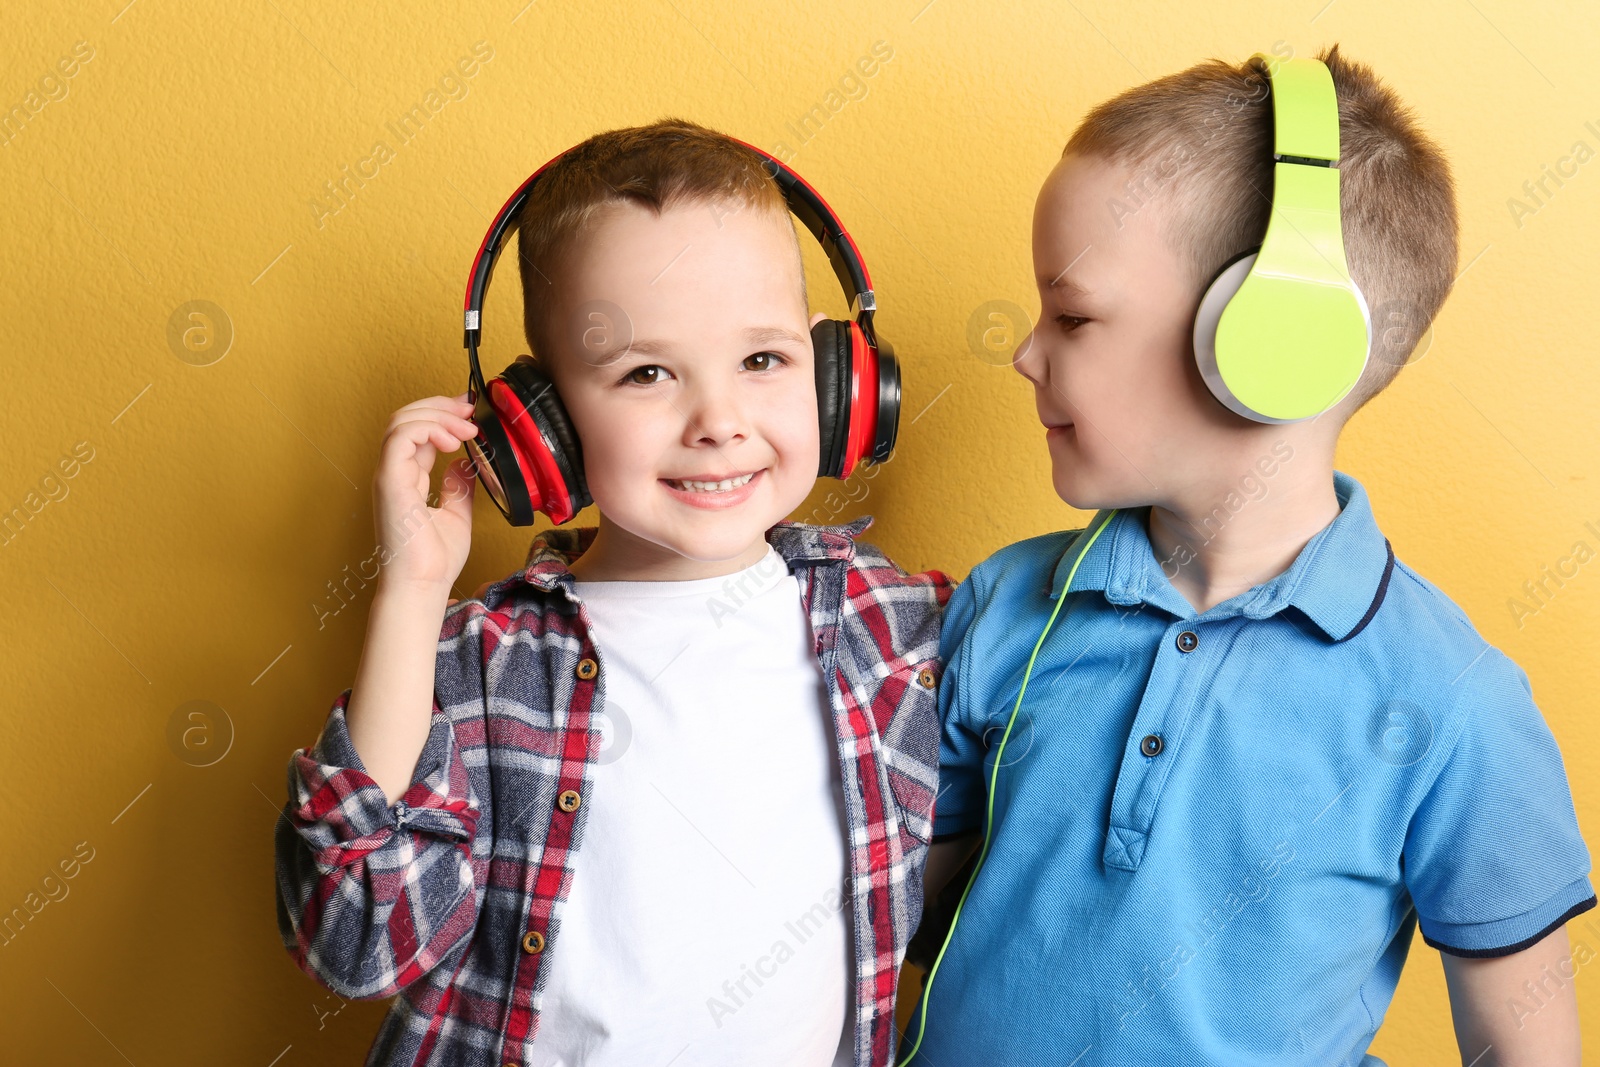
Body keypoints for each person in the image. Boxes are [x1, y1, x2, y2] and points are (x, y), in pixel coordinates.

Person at [906, 45, 1591, 1066]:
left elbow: (1523, 1047)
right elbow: (893, 926)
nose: (1023, 350)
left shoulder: (1454, 703)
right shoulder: (1005, 604)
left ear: (1273, 337)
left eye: (1075, 314)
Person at [274, 118, 951, 1067]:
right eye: (646, 373)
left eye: (763, 359)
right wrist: (411, 594)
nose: (718, 421)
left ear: (840, 380)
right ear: (538, 427)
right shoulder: (484, 659)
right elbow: (357, 943)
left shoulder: (900, 629)